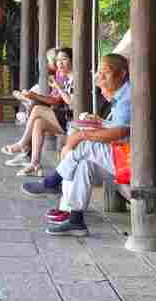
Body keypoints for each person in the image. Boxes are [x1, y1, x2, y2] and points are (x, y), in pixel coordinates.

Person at [21, 53, 133, 235]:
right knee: (83, 165)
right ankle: (76, 220)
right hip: (123, 157)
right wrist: (100, 121)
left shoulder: (127, 96)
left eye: (106, 72)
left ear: (122, 74)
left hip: (129, 162)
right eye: (99, 72)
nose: (101, 77)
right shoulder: (122, 93)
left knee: (82, 145)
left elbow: (120, 133)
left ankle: (53, 181)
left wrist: (80, 136)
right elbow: (119, 127)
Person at [3, 46, 71, 176]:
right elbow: (55, 98)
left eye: (64, 59)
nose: (59, 64)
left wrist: (33, 96)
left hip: (68, 119)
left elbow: (58, 101)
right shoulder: (59, 75)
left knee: (37, 108)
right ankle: (34, 163)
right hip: (61, 115)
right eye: (57, 61)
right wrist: (31, 96)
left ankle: (22, 144)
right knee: (38, 122)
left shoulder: (71, 77)